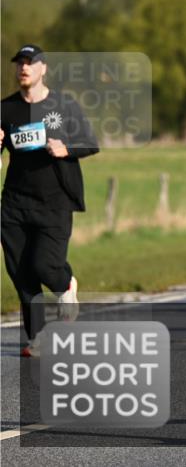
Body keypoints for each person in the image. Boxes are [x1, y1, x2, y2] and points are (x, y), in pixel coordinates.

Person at [2, 44, 99, 358]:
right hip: (15, 202)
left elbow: (90, 142)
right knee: (20, 271)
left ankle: (65, 285)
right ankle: (38, 336)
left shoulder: (64, 105)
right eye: (20, 64)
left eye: (30, 63)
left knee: (44, 264)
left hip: (55, 200)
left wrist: (65, 148)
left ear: (43, 68)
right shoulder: (6, 109)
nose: (24, 69)